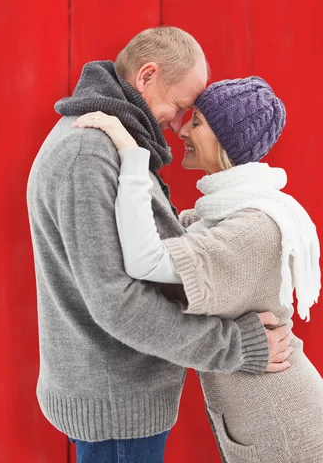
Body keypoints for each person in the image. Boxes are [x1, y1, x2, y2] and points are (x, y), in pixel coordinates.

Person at [26, 28, 292, 463]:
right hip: (117, 405)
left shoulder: (107, 142)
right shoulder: (90, 155)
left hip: (118, 396)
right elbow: (118, 303)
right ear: (147, 76)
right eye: (180, 106)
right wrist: (235, 346)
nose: (177, 125)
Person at [73, 75, 323, 462]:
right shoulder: (215, 218)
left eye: (198, 122)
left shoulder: (252, 228)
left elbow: (147, 258)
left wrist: (131, 152)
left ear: (227, 141)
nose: (182, 129)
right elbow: (158, 237)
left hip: (284, 426)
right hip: (261, 421)